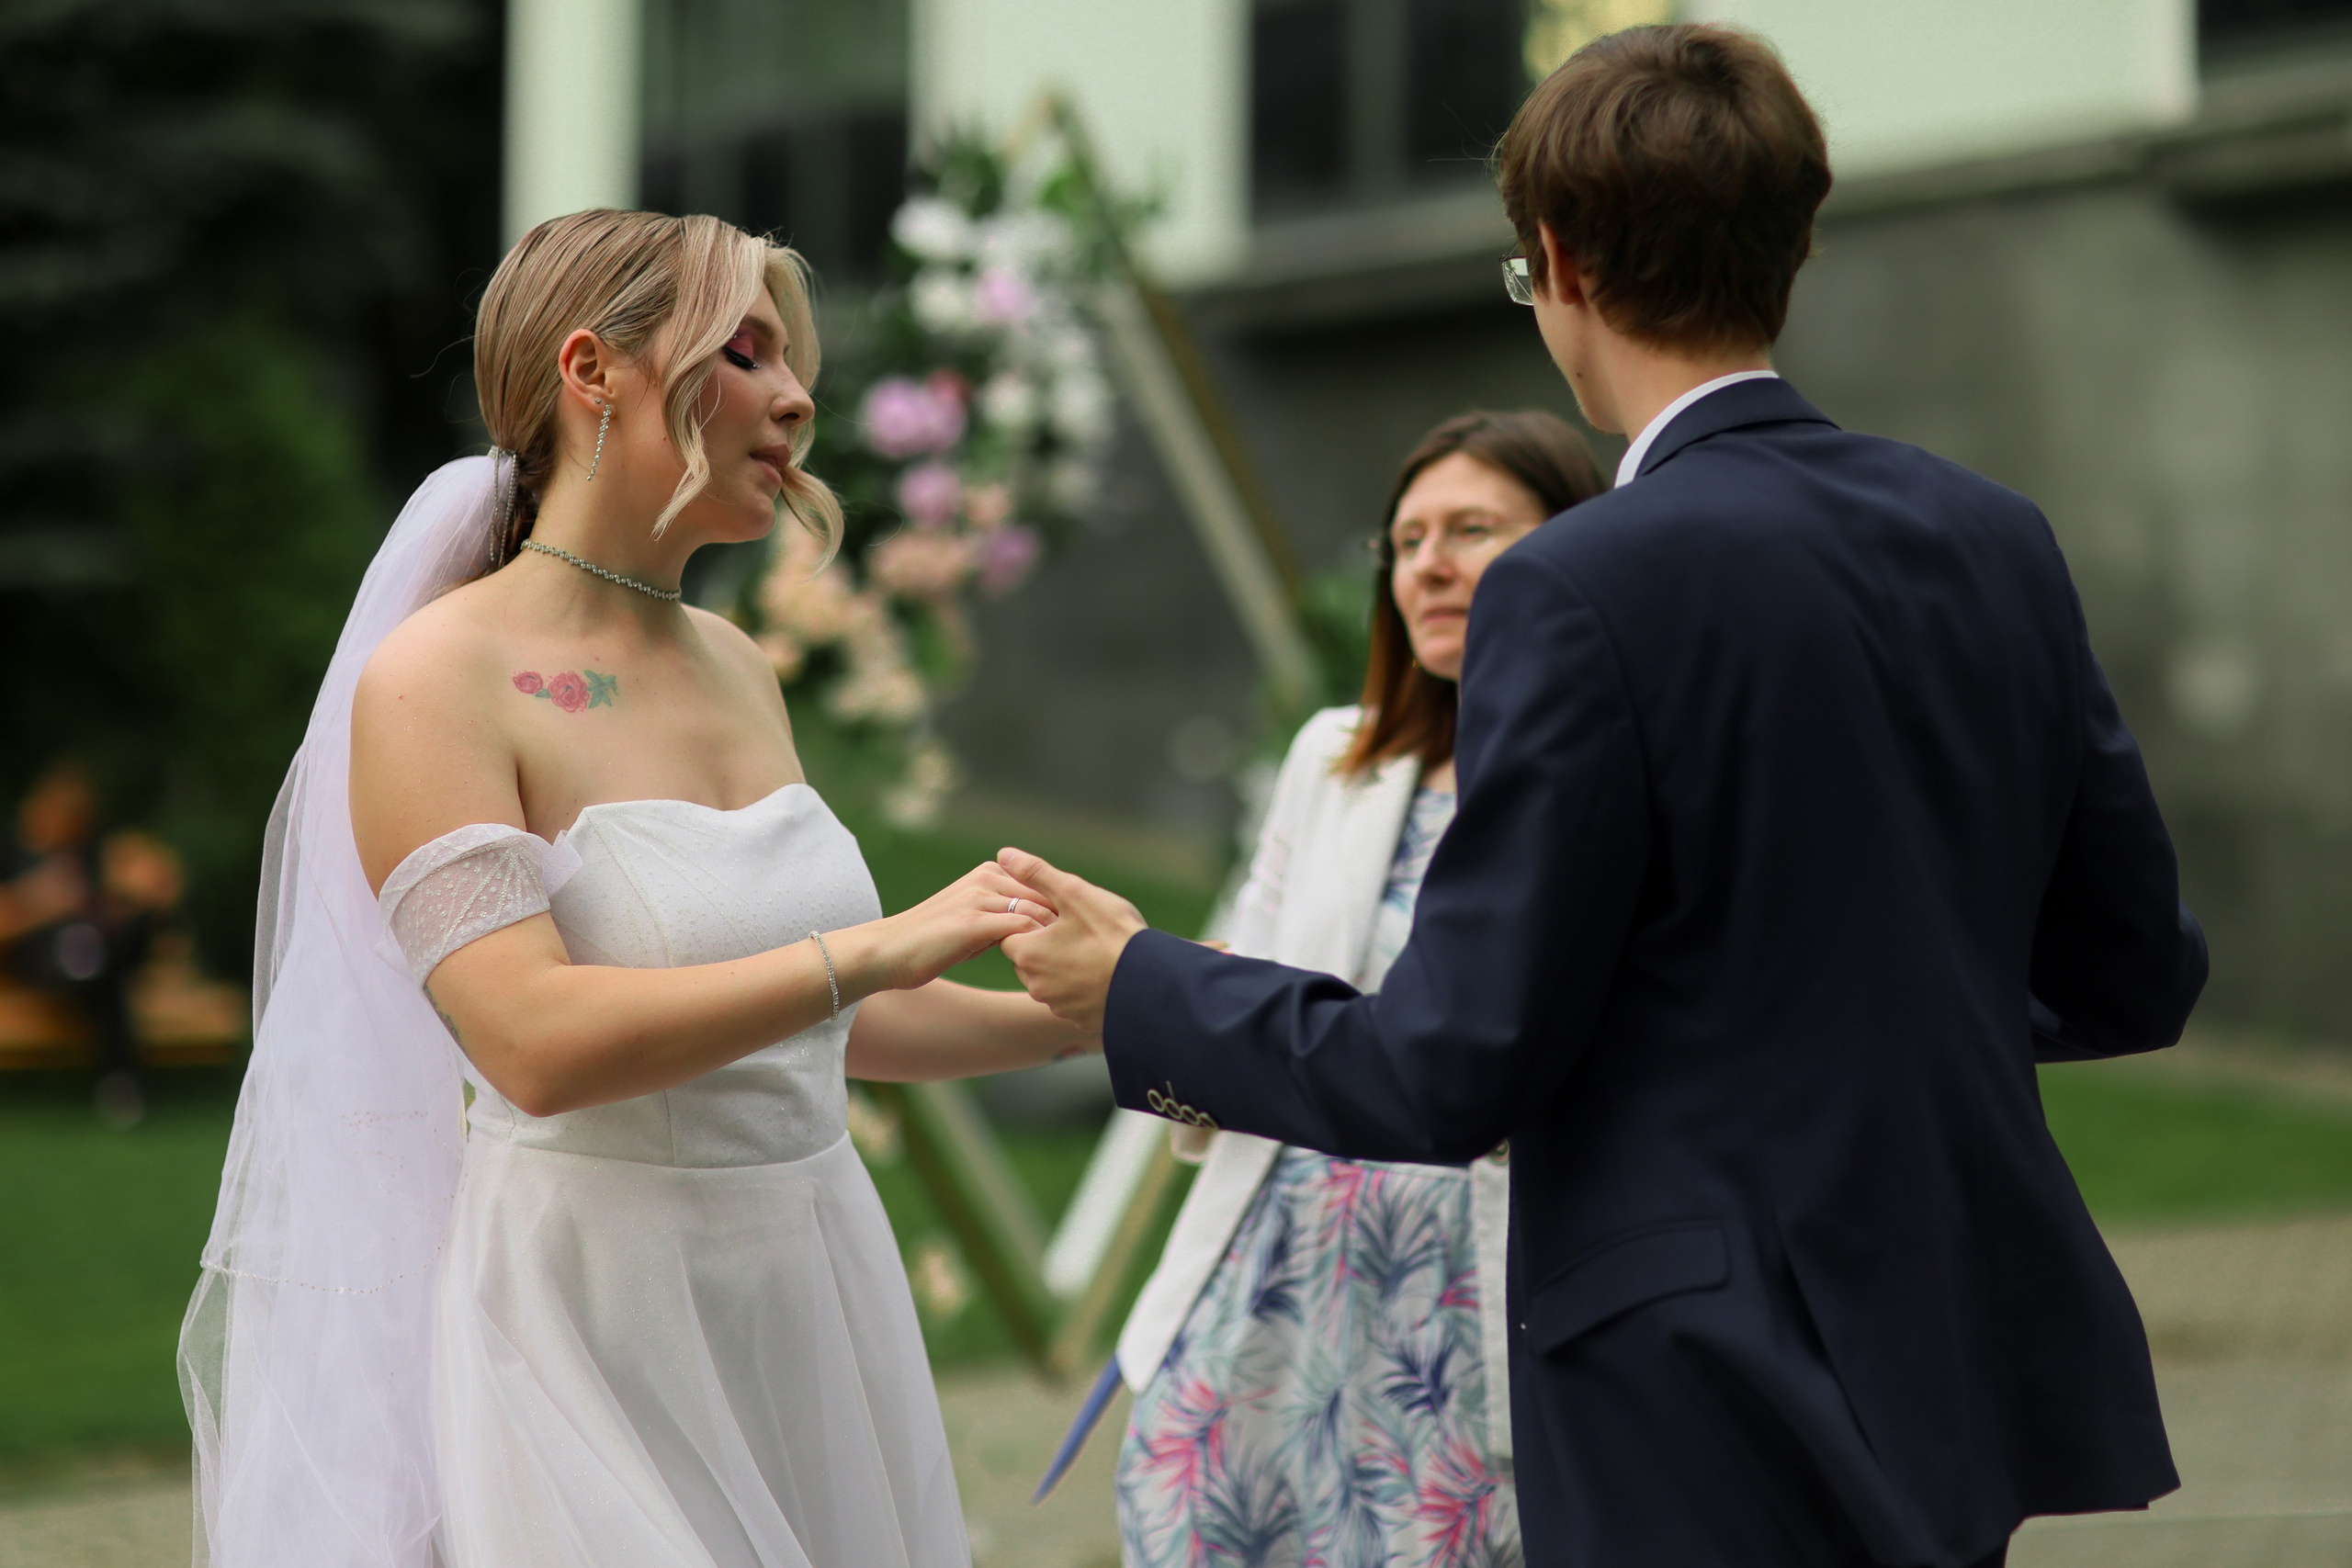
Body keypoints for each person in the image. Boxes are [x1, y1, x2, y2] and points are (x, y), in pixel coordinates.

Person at [1004, 25, 2208, 1568]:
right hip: (1950, 1333)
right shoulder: (1990, 533)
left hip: (1701, 1379)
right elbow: (2134, 967)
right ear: (1795, 243)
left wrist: (1137, 991)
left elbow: (1453, 1062)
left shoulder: (1576, 586)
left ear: (1560, 261)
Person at [181, 209, 1073, 1568]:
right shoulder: (441, 679)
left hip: (812, 1283)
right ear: (595, 372)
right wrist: (878, 948)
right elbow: (530, 1041)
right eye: (749, 350)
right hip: (595, 1306)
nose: (798, 396)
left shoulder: (736, 661)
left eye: (794, 363)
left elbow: (817, 1022)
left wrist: (1100, 1010)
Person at [1114, 412, 1602, 1564]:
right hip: (1275, 1281)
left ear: (1577, 547)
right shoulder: (1335, 758)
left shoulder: (1602, 768)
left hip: (1471, 1300)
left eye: (1472, 530)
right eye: (1407, 539)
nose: (1427, 564)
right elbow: (1238, 976)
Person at [0, 759, 184, 1126]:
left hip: (95, 955)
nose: (65, 823)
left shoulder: (88, 855)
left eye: (76, 816)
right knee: (101, 968)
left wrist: (140, 884)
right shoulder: (13, 856)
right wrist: (42, 901)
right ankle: (120, 1082)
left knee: (111, 950)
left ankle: (95, 958)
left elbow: (162, 879)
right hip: (41, 958)